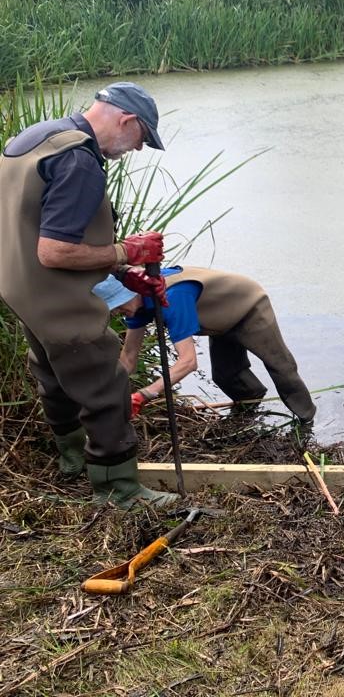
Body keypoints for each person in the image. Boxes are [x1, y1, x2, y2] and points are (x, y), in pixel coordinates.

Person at [0, 81, 177, 507]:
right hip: (59, 298)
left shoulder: (38, 138)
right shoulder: (79, 161)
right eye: (142, 138)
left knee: (54, 376)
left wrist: (120, 272)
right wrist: (128, 251)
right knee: (106, 385)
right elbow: (54, 251)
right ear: (127, 120)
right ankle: (119, 490)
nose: (137, 149)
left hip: (20, 289)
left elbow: (32, 226)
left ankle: (73, 458)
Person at [93, 266, 316, 424]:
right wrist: (105, 394)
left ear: (132, 291)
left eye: (118, 305)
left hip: (248, 305)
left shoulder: (171, 298)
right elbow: (129, 357)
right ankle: (251, 407)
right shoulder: (137, 306)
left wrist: (144, 395)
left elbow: (188, 362)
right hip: (218, 319)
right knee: (225, 375)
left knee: (280, 366)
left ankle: (307, 419)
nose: (117, 311)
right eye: (113, 308)